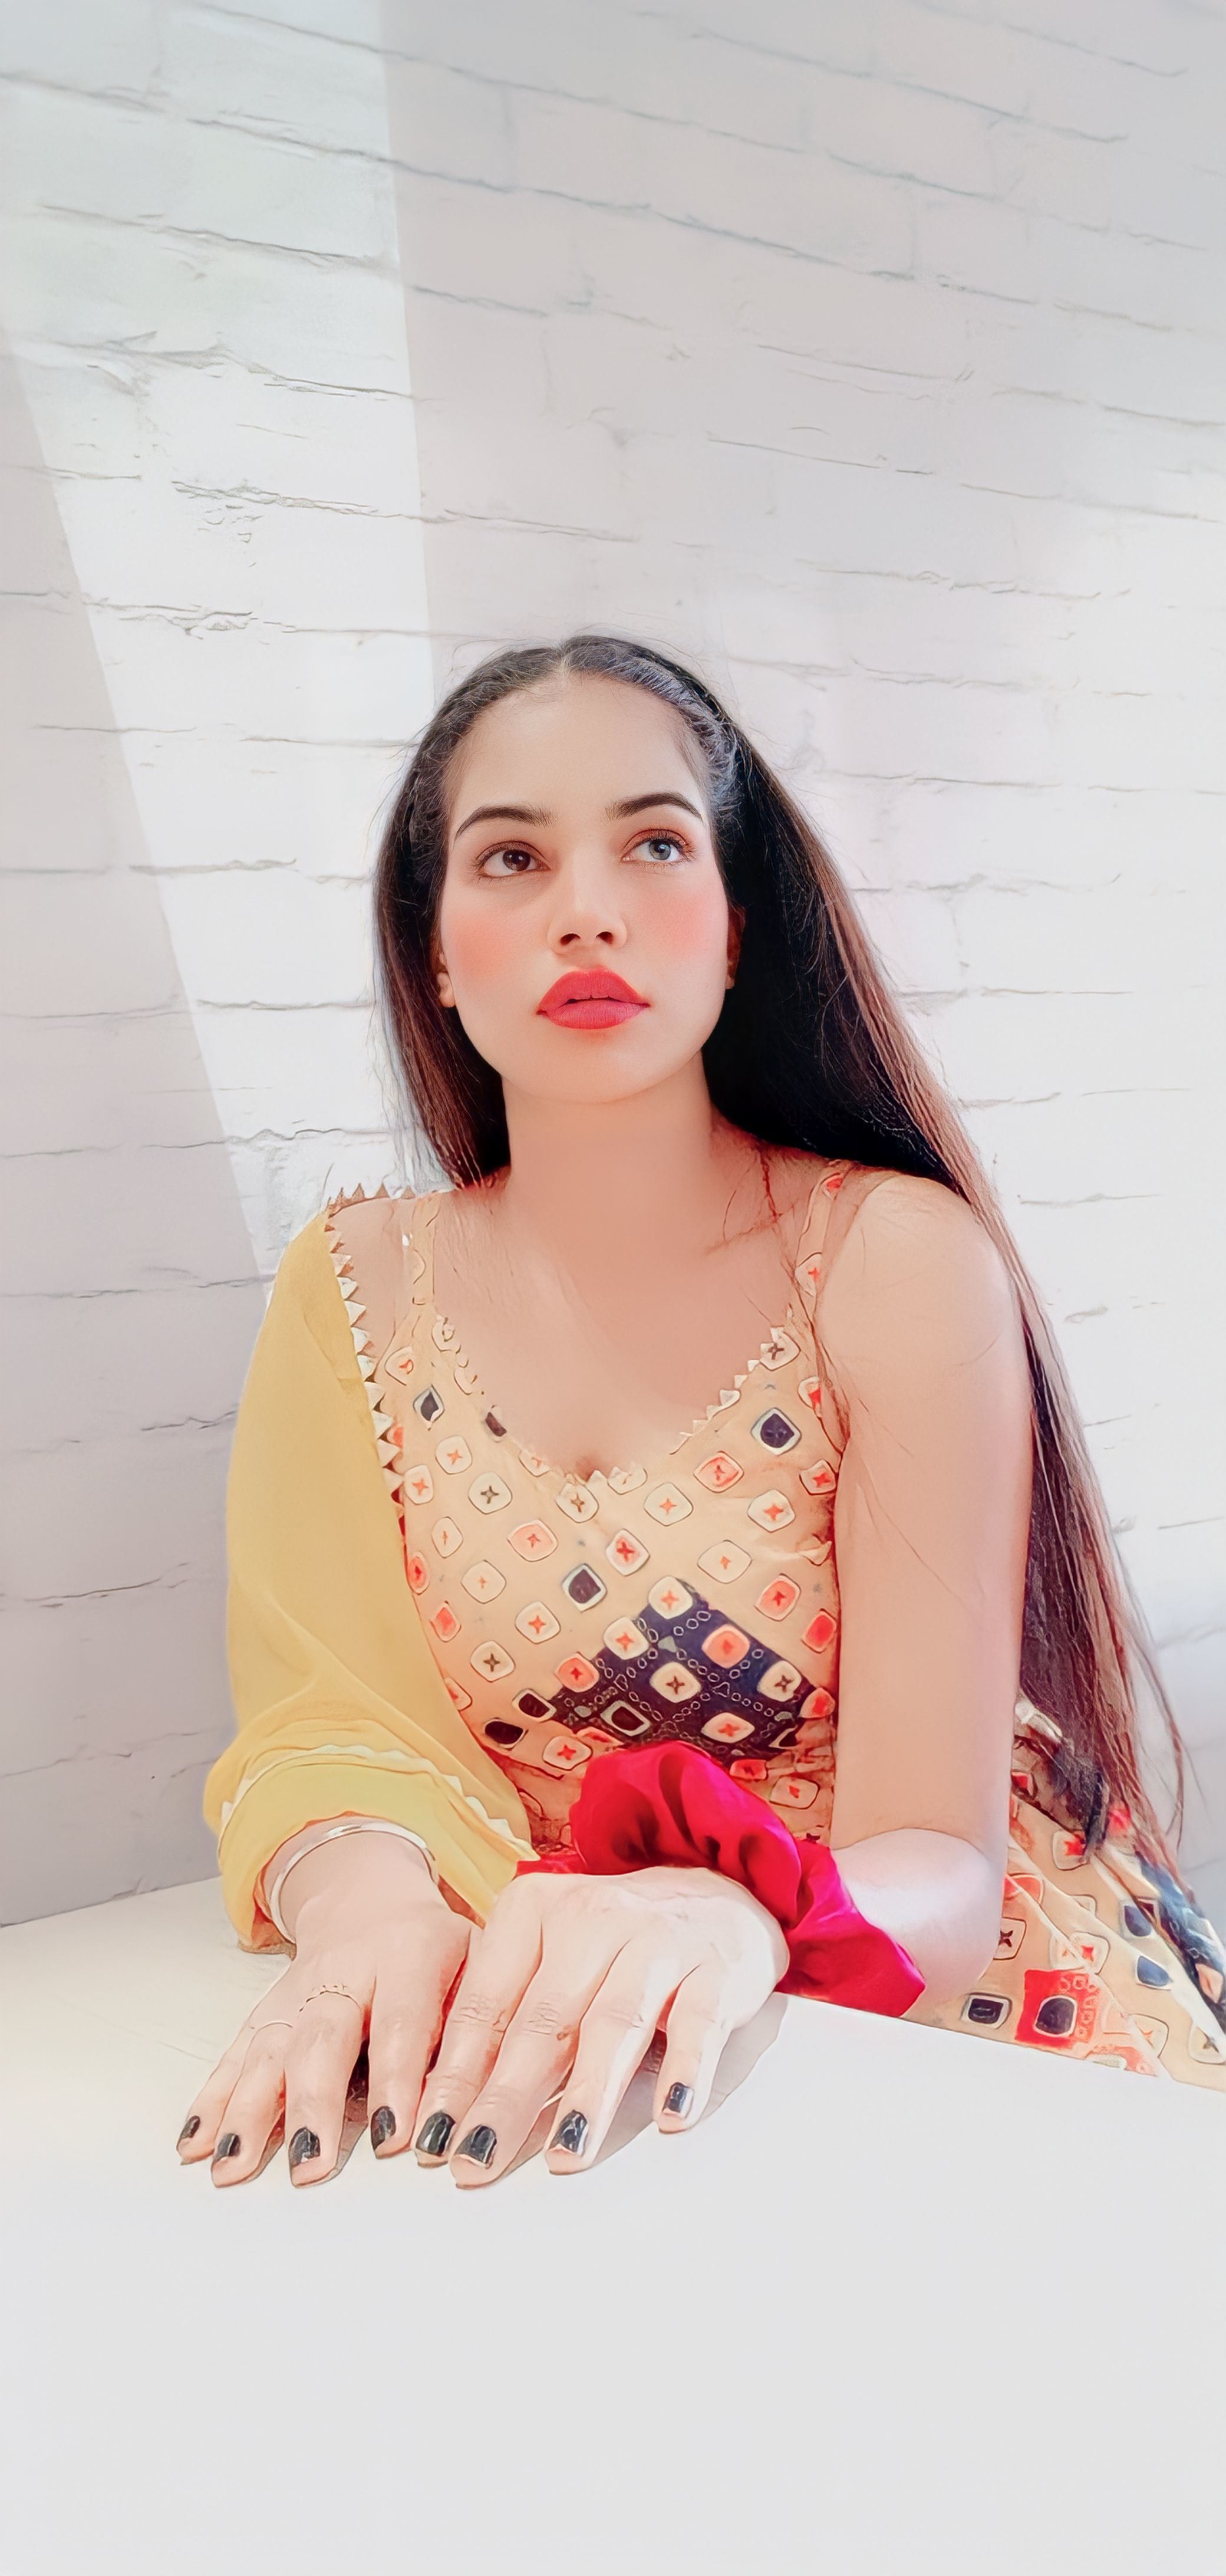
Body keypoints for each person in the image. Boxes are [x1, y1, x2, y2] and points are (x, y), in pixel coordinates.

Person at [176, 634, 1226, 2195]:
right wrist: (369, 1910)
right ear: (435, 952)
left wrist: (734, 1909)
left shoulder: (891, 1258)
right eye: (512, 857)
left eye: (654, 844)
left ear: (736, 929)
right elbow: (328, 1724)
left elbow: (941, 1859)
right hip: (539, 2011)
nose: (586, 910)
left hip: (922, 1989)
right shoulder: (351, 1286)